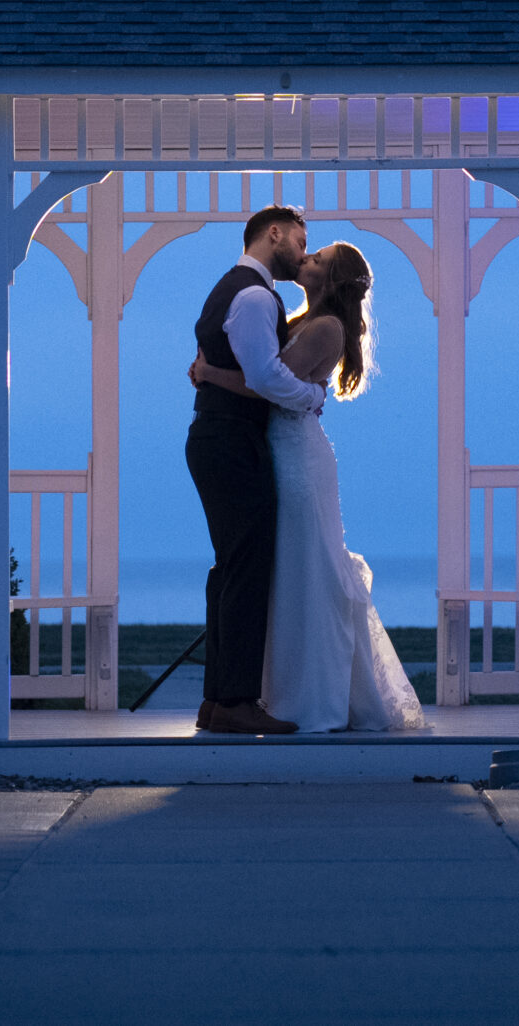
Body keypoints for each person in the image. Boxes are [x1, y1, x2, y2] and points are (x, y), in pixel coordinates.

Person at [189, 241, 425, 733]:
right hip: (280, 451)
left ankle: (311, 698)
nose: (305, 260)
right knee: (287, 571)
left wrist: (210, 373)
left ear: (332, 278)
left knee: (306, 570)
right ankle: (270, 691)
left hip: (297, 460)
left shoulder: (325, 328)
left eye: (316, 258)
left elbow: (266, 385)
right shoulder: (301, 318)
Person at [182, 206, 324, 736]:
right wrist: (312, 396)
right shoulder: (256, 295)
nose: (303, 252)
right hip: (232, 440)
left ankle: (217, 700)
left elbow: (233, 367)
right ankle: (237, 699)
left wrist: (211, 373)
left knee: (230, 568)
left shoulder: (230, 289)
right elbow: (266, 377)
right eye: (300, 240)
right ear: (275, 234)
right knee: (245, 569)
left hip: (218, 438)